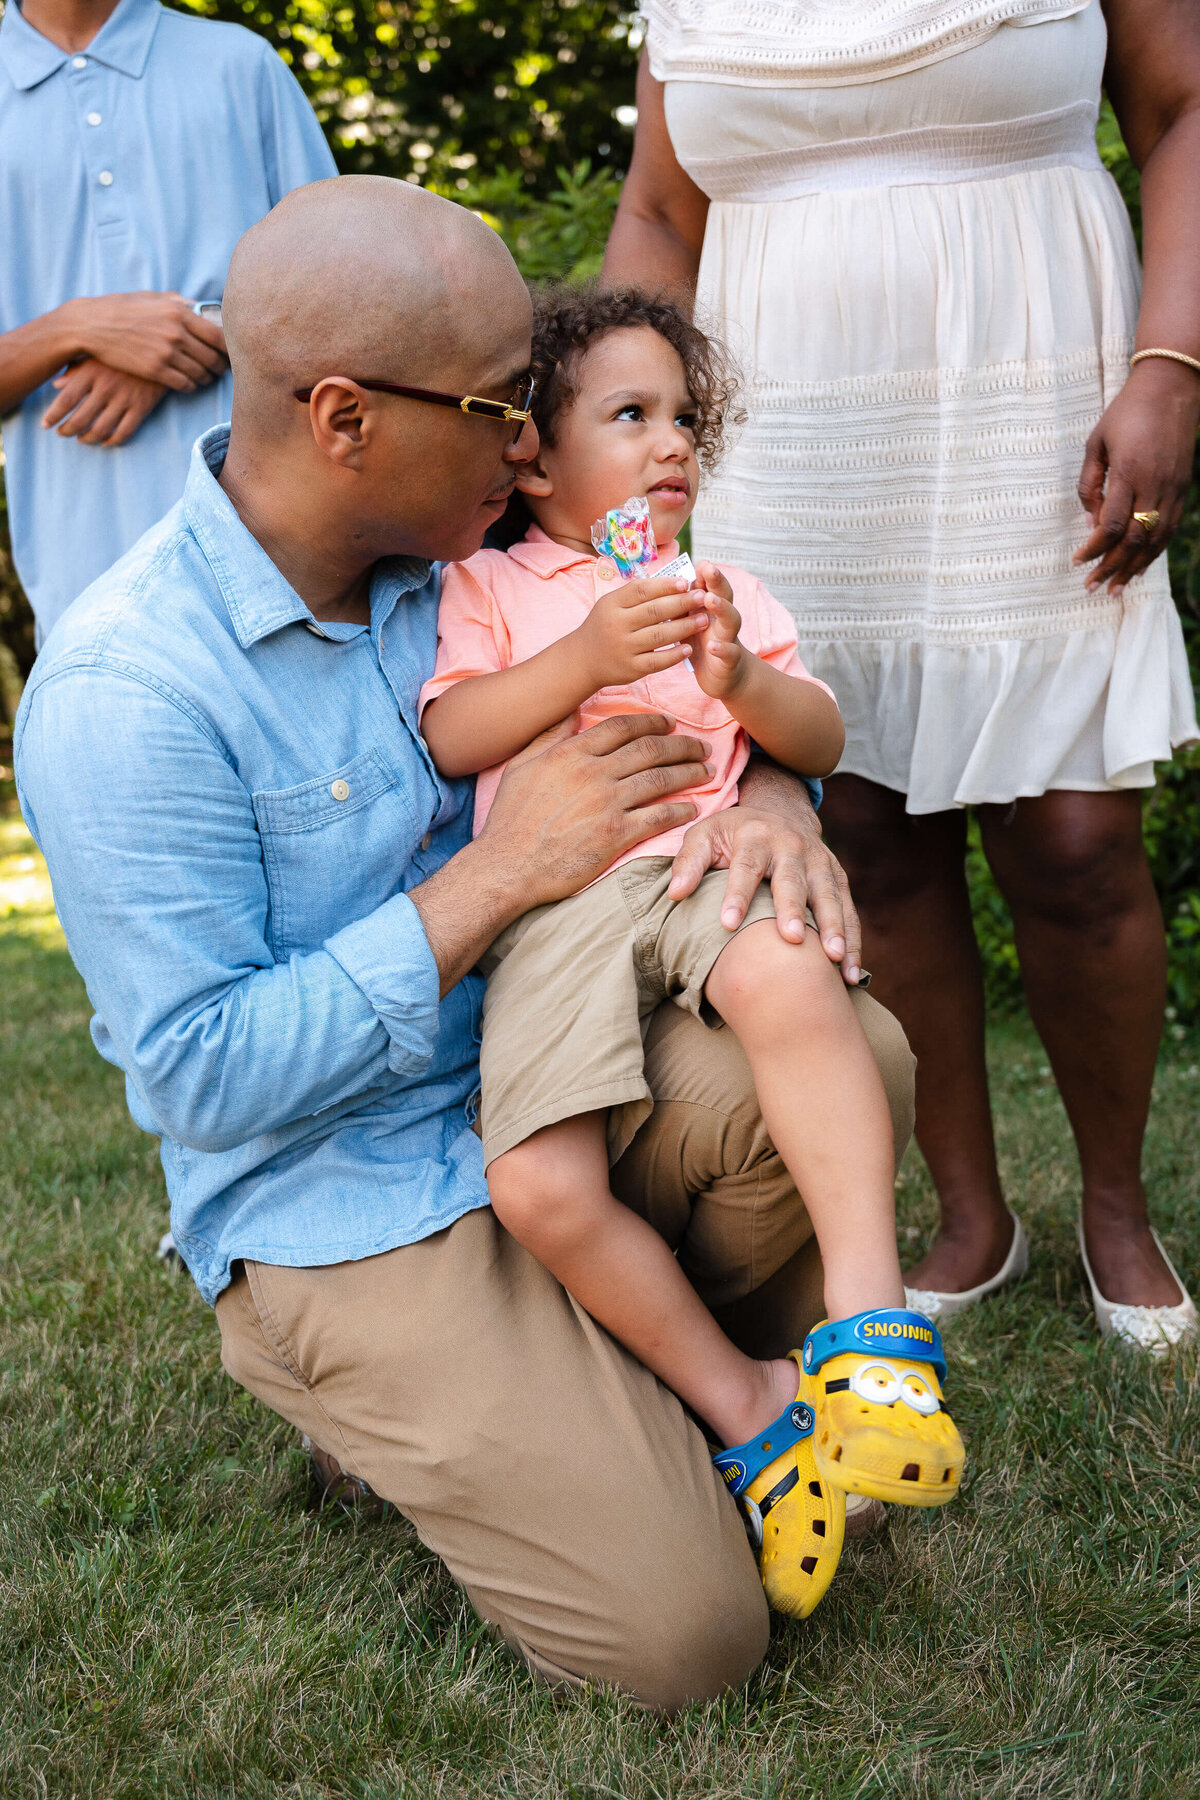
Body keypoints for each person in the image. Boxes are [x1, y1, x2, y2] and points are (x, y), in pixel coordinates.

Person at [14, 176, 916, 1709]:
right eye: (502, 408)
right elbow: (200, 1077)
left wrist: (773, 787)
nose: (529, 443)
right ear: (346, 417)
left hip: (552, 1084)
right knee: (687, 1640)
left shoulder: (479, 549)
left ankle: (690, 1389)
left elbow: (712, 685)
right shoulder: (127, 695)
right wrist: (501, 876)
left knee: (846, 1048)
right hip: (352, 1190)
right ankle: (401, 1401)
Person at [602, 0, 1200, 1351]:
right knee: (862, 829)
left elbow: (1181, 110)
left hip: (1036, 393)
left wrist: (1170, 371)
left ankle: (1118, 1209)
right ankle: (973, 1216)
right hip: (784, 438)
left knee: (1080, 839)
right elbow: (656, 211)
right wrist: (619, 423)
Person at [419, 285, 964, 1619]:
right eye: (631, 416)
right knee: (542, 1189)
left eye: (683, 418)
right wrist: (587, 655)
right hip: (550, 908)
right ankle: (753, 1410)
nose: (673, 444)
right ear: (533, 456)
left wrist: (742, 685)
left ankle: (872, 1332)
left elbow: (818, 738)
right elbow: (452, 734)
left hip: (690, 865)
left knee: (789, 971)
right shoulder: (486, 585)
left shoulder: (722, 588)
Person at [0, 0, 335, 642]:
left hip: (287, 561)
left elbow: (347, 285)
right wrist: (73, 327)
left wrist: (192, 333)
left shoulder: (240, 65)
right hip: (85, 598)